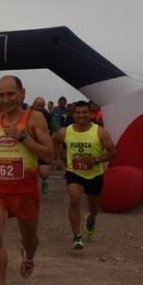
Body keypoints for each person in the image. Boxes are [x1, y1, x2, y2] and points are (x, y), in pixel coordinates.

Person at [0, 76, 54, 285]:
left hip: (25, 191)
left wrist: (21, 136)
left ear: (22, 93)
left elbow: (49, 155)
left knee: (30, 238)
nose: (5, 99)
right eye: (1, 95)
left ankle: (28, 257)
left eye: (10, 94)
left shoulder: (34, 118)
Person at [52, 102, 117, 249]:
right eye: (78, 112)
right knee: (74, 199)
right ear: (73, 115)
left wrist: (96, 160)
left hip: (94, 174)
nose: (81, 115)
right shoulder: (65, 131)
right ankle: (76, 236)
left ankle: (91, 219)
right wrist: (59, 159)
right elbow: (55, 141)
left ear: (91, 114)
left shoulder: (100, 132)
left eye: (84, 112)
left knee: (93, 207)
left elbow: (113, 152)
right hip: (74, 172)